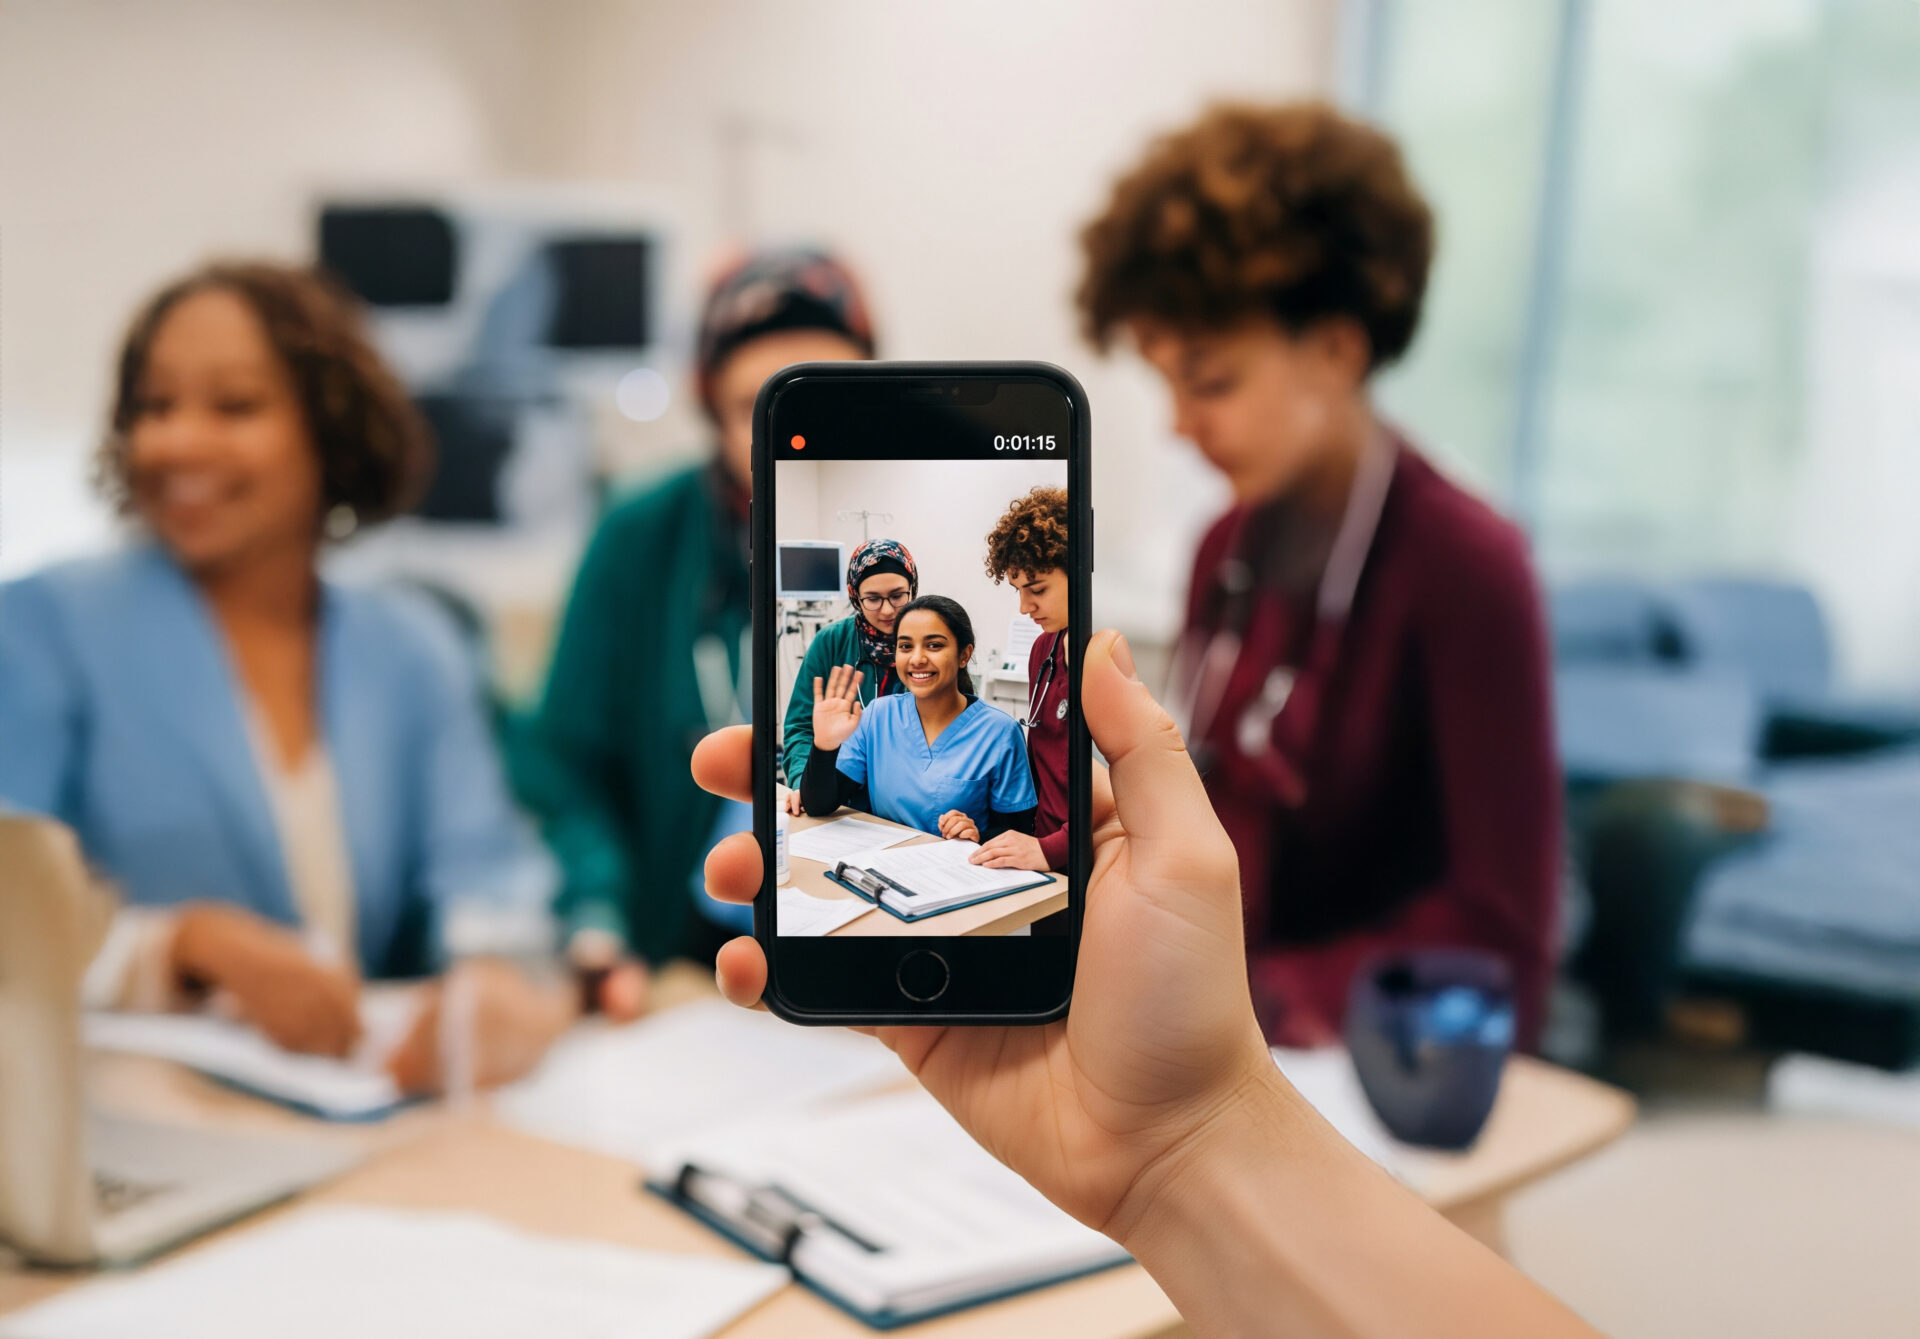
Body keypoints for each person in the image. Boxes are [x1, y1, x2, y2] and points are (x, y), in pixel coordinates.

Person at [691, 632, 1601, 1339]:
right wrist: (1186, 1142)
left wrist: (1189, 1128)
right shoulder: (870, 706)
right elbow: (825, 791)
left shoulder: (993, 728)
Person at [0, 261, 583, 1091]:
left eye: (233, 406)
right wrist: (183, 945)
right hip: (131, 1124)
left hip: (362, 1121)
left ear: (328, 429)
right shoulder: (45, 623)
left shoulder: (412, 647)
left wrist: (491, 979)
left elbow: (486, 870)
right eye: (152, 406)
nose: (175, 440)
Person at [1074, 102, 1561, 1049]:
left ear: (1338, 349)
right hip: (1204, 1048)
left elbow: (1503, 937)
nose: (1180, 424)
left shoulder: (1466, 565)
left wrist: (1252, 999)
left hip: (1372, 1074)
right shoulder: (1226, 550)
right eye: (1166, 382)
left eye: (1210, 382)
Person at [514, 248, 876, 963]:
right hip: (684, 954)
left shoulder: (900, 539)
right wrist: (597, 915)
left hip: (864, 933)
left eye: (831, 399)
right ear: (708, 405)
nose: (796, 437)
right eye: (758, 406)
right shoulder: (640, 535)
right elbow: (563, 766)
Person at [801, 595, 1036, 843]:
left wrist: (977, 835)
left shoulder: (999, 732)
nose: (917, 659)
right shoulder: (878, 716)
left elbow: (1019, 833)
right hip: (881, 867)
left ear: (964, 655)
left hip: (959, 872)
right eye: (905, 646)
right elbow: (819, 805)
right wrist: (824, 745)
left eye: (934, 645)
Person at [778, 537, 918, 814]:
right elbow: (800, 728)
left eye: (897, 595)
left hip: (909, 804)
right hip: (838, 801)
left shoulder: (931, 638)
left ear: (913, 588)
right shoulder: (831, 642)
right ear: (855, 596)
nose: (887, 610)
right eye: (873, 599)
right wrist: (802, 783)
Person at [972, 486, 1072, 873]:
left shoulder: (1104, 653)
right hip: (1040, 846)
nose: (1024, 607)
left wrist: (1055, 849)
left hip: (1080, 851)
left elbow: (1119, 797)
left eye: (1038, 590)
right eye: (1018, 591)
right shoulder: (1043, 651)